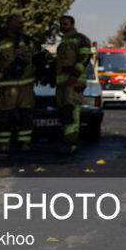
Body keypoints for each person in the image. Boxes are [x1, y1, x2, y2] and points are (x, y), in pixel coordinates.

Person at [0, 14, 48, 152]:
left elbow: (43, 56)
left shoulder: (30, 42)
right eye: (18, 23)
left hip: (26, 89)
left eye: (22, 23)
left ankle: (25, 143)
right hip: (6, 89)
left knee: (26, 116)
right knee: (5, 117)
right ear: (9, 24)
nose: (21, 25)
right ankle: (4, 144)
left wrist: (44, 73)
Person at [54, 15, 92, 155]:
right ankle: (66, 141)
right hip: (62, 84)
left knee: (71, 112)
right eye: (61, 24)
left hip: (74, 83)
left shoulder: (81, 39)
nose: (63, 26)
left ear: (72, 24)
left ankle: (71, 143)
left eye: (65, 24)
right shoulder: (63, 42)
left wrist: (75, 74)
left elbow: (85, 58)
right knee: (64, 113)